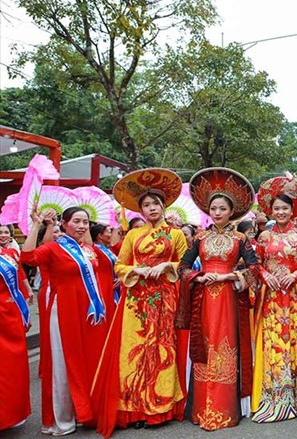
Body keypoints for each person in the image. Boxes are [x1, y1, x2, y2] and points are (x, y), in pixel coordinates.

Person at [92, 168, 188, 437]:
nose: (151, 208)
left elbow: (186, 265)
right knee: (135, 346)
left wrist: (168, 265)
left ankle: (161, 405)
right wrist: (138, 271)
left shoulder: (176, 235)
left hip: (167, 297)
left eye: (155, 203)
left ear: (163, 205)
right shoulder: (132, 236)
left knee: (163, 347)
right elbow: (120, 265)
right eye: (146, 205)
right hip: (137, 298)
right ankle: (134, 406)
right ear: (141, 210)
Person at [178, 168, 260, 431]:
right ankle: (202, 405)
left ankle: (225, 405)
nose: (217, 212)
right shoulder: (200, 237)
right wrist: (198, 277)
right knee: (205, 344)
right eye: (213, 208)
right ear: (208, 210)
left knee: (227, 343)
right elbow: (183, 267)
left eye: (222, 208)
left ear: (232, 211)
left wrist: (228, 278)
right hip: (205, 298)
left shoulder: (241, 239)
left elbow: (254, 269)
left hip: (228, 299)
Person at [22, 207, 110, 436]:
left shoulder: (87, 250)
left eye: (85, 222)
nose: (81, 226)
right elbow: (28, 257)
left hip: (88, 313)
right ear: (64, 224)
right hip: (63, 311)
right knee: (63, 363)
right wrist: (38, 225)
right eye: (77, 221)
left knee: (84, 361)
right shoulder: (54, 248)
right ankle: (62, 419)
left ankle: (84, 411)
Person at [251, 174, 297, 422]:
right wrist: (266, 275)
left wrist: (296, 275)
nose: (280, 212)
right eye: (276, 208)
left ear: (293, 210)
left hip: (295, 298)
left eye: (285, 208)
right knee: (274, 344)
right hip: (271, 300)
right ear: (270, 210)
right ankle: (276, 396)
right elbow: (255, 265)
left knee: (296, 342)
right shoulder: (264, 238)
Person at [0, 224, 32, 431]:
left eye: (5, 232)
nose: (3, 235)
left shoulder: (10, 253)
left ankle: (11, 413)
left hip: (11, 315)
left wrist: (28, 299)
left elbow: (20, 279)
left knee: (13, 366)